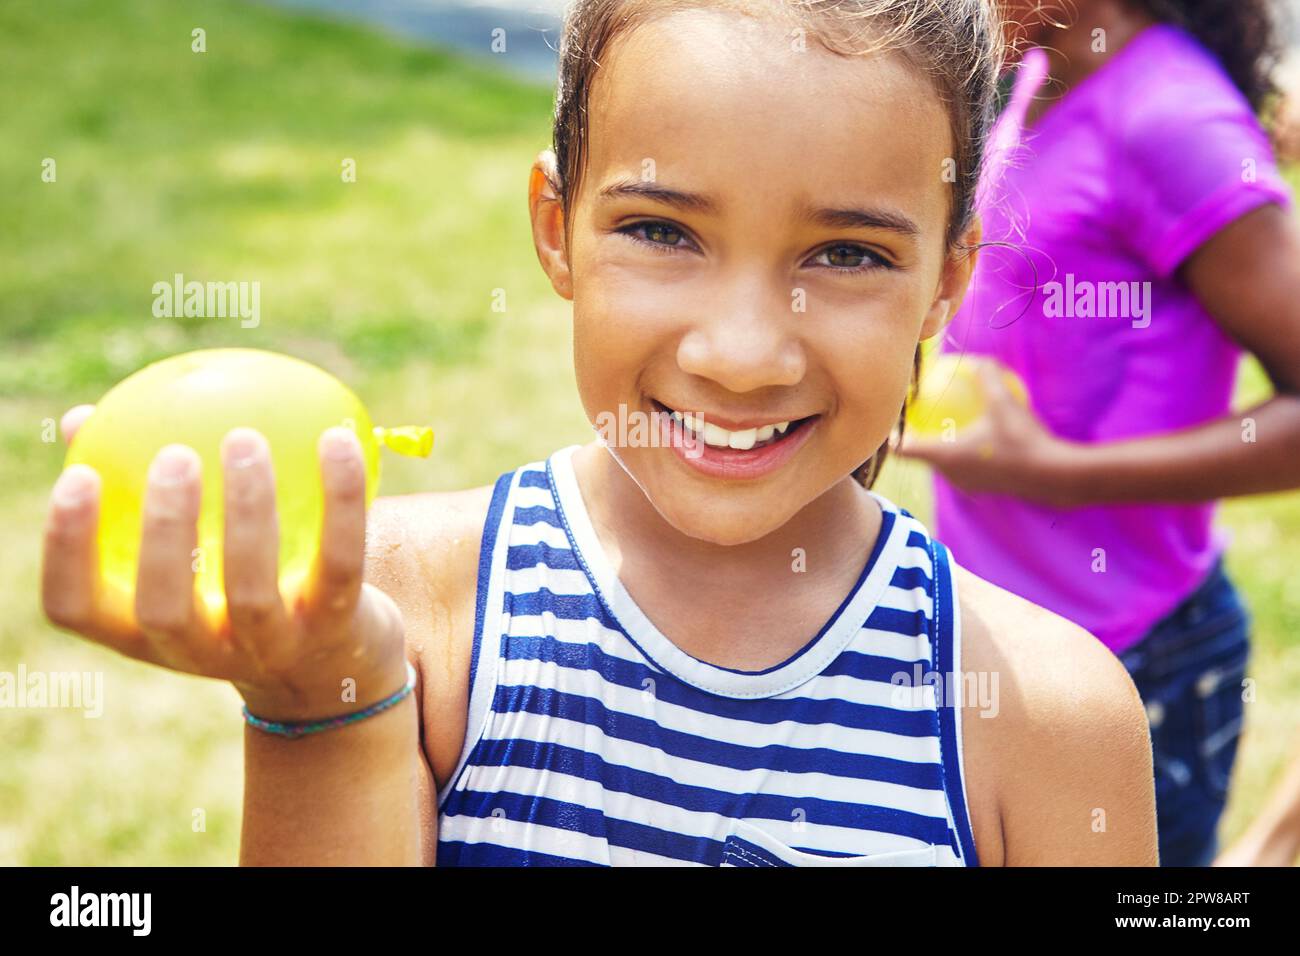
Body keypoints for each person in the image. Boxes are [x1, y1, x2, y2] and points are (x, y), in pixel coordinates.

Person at [40, 0, 1158, 866]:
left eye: (847, 254)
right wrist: (321, 701)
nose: (741, 350)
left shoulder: (1048, 719)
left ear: (944, 282)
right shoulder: (402, 613)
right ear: (554, 226)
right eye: (663, 229)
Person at [900, 0, 1300, 866]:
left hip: (1136, 657)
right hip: (1003, 635)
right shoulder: (1044, 70)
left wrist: (1060, 473)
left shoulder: (1171, 118)